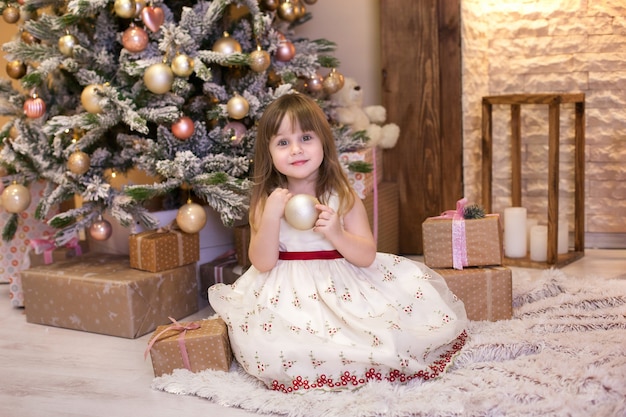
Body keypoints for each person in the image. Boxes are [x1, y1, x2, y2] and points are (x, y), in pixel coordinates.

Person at [209, 93, 468, 393]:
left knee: (375, 335)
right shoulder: (266, 202)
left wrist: (336, 234)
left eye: (305, 137)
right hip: (287, 291)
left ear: (323, 142)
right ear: (268, 152)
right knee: (284, 345)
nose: (295, 150)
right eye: (282, 142)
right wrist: (270, 218)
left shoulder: (343, 195)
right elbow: (262, 262)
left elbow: (367, 255)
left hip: (342, 285)